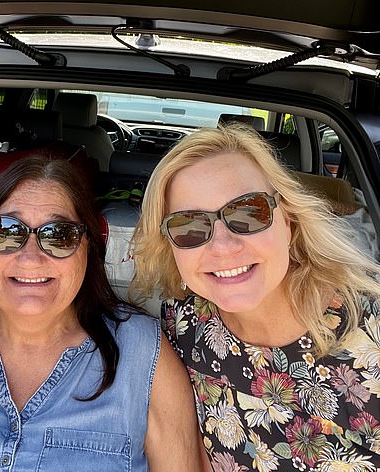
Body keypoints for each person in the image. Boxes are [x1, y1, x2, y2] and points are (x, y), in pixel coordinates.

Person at [0, 155, 204, 471]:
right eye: (8, 231)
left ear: (89, 252)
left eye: (59, 235)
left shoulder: (144, 354)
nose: (32, 257)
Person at [132, 124, 380, 471]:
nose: (223, 247)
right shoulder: (186, 326)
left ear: (289, 221)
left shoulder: (371, 328)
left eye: (248, 212)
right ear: (171, 247)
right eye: (189, 226)